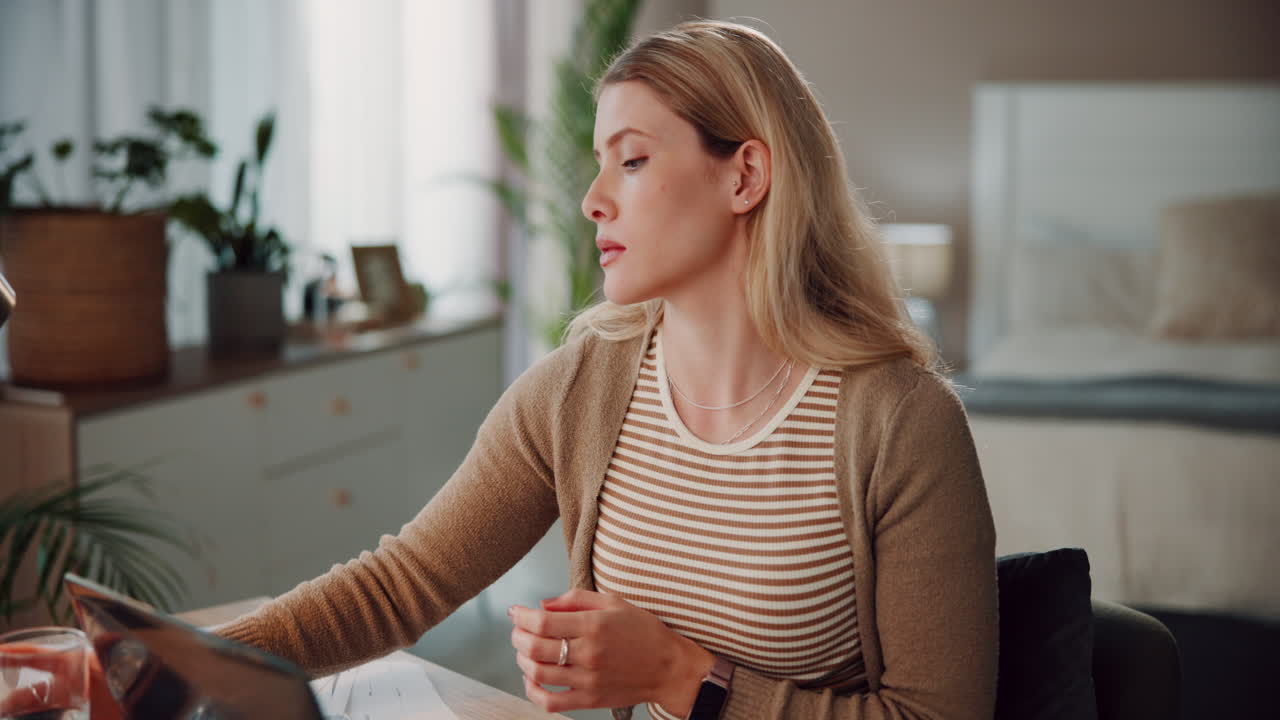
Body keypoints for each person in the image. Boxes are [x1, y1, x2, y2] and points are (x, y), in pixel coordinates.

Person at [213, 20, 997, 720]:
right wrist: (187, 666)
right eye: (599, 164)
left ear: (745, 176)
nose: (591, 200)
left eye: (632, 160)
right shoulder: (579, 388)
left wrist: (682, 677)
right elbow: (400, 585)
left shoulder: (900, 422)